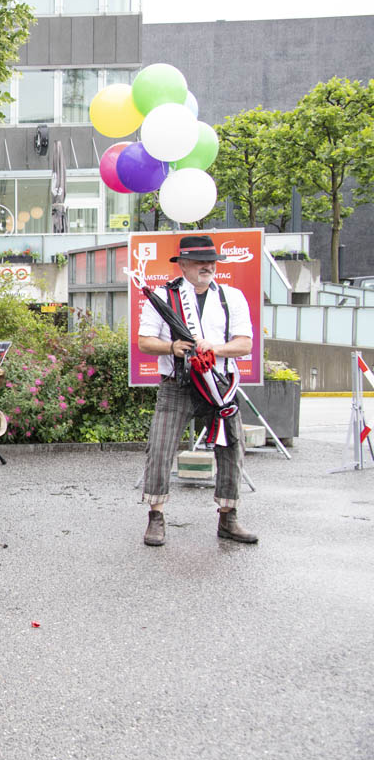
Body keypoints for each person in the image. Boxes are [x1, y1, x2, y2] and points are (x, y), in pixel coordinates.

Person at [137, 234, 257, 547]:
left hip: (219, 386)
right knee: (160, 448)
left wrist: (213, 348)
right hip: (176, 385)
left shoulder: (232, 297)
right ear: (183, 264)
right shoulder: (163, 296)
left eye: (211, 261)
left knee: (232, 448)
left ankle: (228, 517)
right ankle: (156, 517)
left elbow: (245, 344)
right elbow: (144, 342)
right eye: (200, 261)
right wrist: (171, 347)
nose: (208, 267)